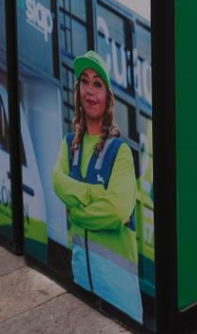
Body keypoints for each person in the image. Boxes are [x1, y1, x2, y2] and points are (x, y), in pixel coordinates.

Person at [52, 51, 142, 322]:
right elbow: (57, 181)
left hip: (119, 295)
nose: (90, 91)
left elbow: (116, 211)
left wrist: (78, 211)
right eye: (85, 82)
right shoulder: (69, 146)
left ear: (108, 98)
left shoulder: (120, 152)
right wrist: (96, 194)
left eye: (98, 84)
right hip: (82, 286)